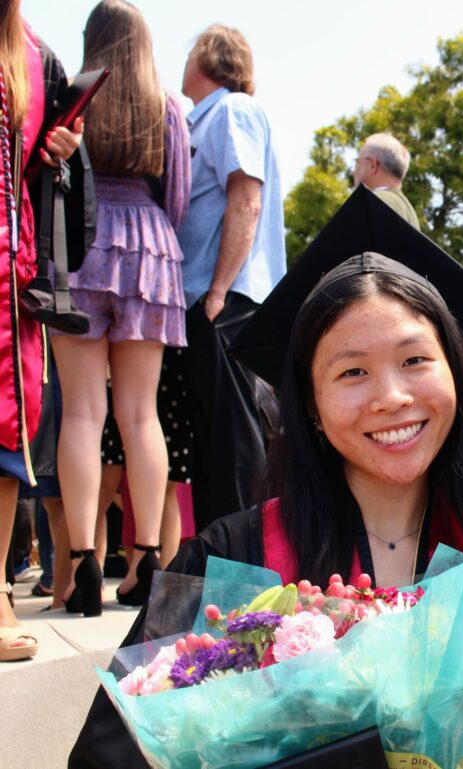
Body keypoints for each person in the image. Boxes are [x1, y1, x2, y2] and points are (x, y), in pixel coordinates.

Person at [69, 195, 463, 767]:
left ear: (455, 369)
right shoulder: (229, 561)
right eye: (352, 371)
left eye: (414, 360)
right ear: (309, 403)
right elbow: (108, 757)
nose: (391, 398)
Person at [47, 0, 190, 616]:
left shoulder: (70, 97)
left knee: (82, 411)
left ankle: (81, 562)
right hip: (151, 247)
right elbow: (178, 196)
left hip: (79, 242)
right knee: (141, 415)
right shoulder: (167, 108)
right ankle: (147, 560)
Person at [0, 0, 84, 661]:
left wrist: (57, 151)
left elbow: (28, 170)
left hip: (8, 264)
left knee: (6, 434)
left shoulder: (31, 51)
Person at [177, 24, 286, 530]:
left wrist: (218, 291)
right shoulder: (204, 119)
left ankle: (246, 574)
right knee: (211, 445)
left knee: (236, 444)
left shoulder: (231, 110)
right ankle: (220, 576)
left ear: (208, 57)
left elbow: (246, 198)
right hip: (209, 298)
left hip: (227, 298)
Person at [351, 132, 419, 230]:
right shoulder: (408, 212)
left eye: (357, 162)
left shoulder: (371, 204)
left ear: (372, 164)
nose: (353, 172)